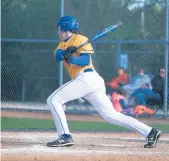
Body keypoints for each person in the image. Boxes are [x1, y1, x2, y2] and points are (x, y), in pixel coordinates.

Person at [46, 16, 161, 148]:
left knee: (53, 100)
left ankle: (65, 136)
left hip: (87, 78)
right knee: (111, 116)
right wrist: (67, 52)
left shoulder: (81, 39)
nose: (58, 31)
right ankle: (150, 132)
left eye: (59, 28)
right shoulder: (63, 43)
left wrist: (72, 58)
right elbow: (57, 56)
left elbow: (84, 60)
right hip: (88, 82)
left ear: (65, 28)